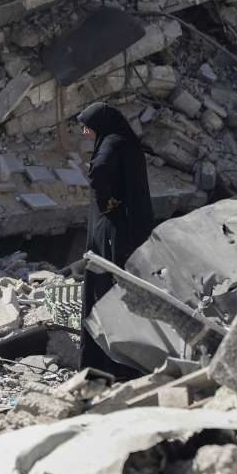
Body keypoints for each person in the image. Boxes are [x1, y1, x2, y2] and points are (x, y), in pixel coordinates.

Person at [76, 102, 154, 374]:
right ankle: (130, 363)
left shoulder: (112, 143)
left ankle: (104, 363)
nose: (85, 132)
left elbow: (98, 170)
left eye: (88, 127)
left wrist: (105, 200)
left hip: (113, 232)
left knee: (105, 290)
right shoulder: (127, 142)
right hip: (132, 230)